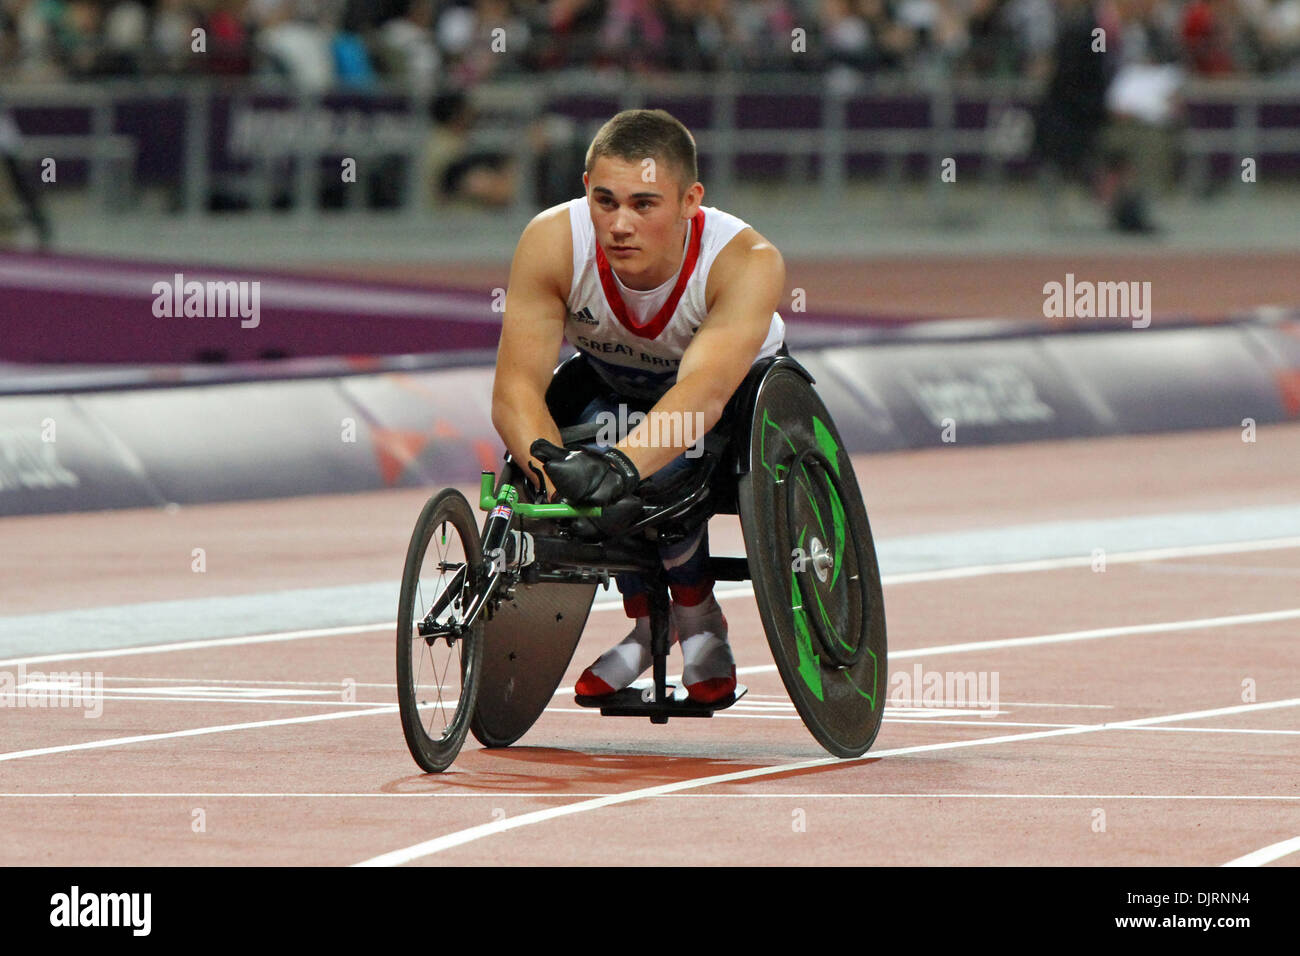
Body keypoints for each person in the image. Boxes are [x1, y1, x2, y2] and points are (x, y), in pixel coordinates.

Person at [491, 108, 786, 703]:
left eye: (645, 204)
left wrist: (618, 468)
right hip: (613, 383)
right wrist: (553, 469)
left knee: (655, 480)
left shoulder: (747, 261)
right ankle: (651, 622)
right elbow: (515, 388)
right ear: (585, 192)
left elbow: (700, 396)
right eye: (605, 201)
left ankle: (697, 617)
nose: (619, 224)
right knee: (586, 483)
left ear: (689, 201)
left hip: (724, 397)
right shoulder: (552, 240)